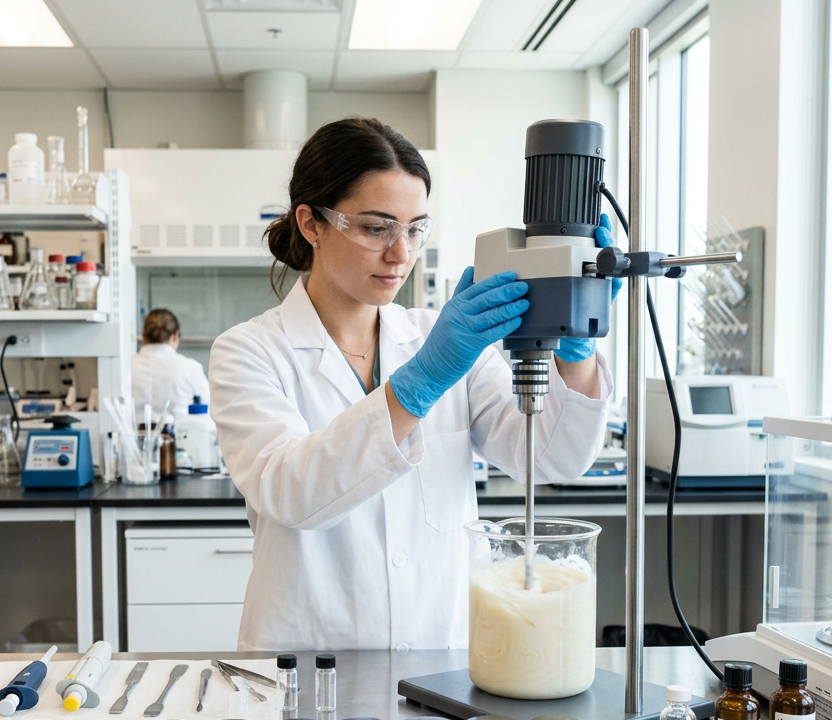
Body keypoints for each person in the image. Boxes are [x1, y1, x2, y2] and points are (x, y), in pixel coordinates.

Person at [210, 118, 616, 651]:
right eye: (377, 228)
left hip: (439, 657)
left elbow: (554, 459)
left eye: (415, 228)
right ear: (311, 223)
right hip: (307, 663)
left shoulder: (436, 338)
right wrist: (422, 381)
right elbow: (291, 494)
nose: (401, 253)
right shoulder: (250, 350)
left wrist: (576, 347)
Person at [132, 309, 210, 419]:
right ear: (174, 336)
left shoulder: (125, 366)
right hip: (182, 434)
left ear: (144, 335)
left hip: (131, 435)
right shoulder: (190, 367)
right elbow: (208, 408)